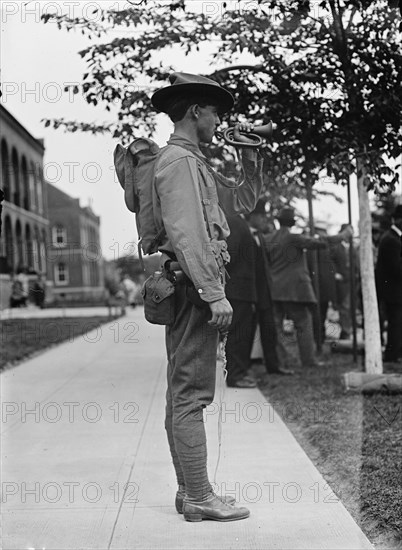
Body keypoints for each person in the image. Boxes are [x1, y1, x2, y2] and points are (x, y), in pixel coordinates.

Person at [150, 72, 264, 522]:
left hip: (189, 284)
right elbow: (187, 232)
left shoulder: (192, 160)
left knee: (183, 393)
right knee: (192, 395)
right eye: (217, 112)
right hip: (194, 287)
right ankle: (199, 495)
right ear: (196, 110)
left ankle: (189, 492)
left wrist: (248, 155)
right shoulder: (179, 162)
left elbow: (241, 205)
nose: (220, 121)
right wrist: (214, 293)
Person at [264, 207, 353, 370]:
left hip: (274, 288)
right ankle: (308, 360)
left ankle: (280, 362)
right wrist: (344, 235)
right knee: (303, 323)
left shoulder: (268, 238)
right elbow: (321, 243)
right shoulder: (293, 238)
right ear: (292, 223)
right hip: (295, 289)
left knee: (277, 328)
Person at [246, 200, 294, 376]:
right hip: (251, 293)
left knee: (269, 331)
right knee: (248, 331)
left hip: (264, 292)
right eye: (260, 216)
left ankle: (273, 366)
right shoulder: (245, 235)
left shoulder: (259, 235)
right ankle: (244, 367)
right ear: (252, 217)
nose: (263, 219)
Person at [224, 214, 258, 388]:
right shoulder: (236, 221)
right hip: (238, 289)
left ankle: (238, 372)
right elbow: (230, 254)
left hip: (239, 289)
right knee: (239, 334)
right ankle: (236, 375)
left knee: (240, 334)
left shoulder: (234, 220)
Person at [375, 204, 402, 363]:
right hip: (393, 291)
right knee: (396, 323)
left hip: (394, 290)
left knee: (397, 323)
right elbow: (397, 268)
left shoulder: (394, 238)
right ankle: (392, 356)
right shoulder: (391, 240)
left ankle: (395, 353)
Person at [306, 223, 337, 345]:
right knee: (317, 315)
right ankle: (318, 339)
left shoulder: (322, 247)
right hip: (317, 286)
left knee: (320, 314)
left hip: (321, 287)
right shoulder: (316, 247)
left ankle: (319, 338)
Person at [331, 223, 354, 340]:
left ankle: (349, 330)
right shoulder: (336, 247)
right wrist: (335, 273)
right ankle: (345, 332)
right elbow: (330, 261)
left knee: (351, 307)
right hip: (341, 282)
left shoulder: (353, 247)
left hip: (353, 281)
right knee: (344, 306)